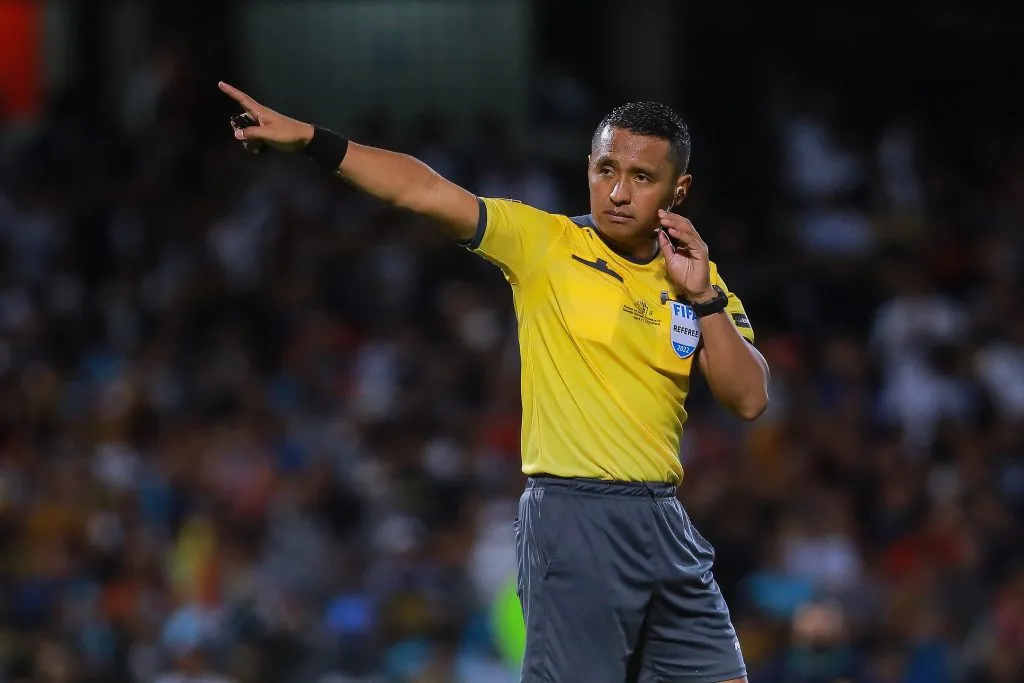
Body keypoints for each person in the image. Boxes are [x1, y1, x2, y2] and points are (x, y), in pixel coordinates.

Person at [219, 81, 769, 683]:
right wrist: (311, 141)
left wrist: (705, 298)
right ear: (588, 167)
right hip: (575, 514)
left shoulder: (698, 280)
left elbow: (748, 398)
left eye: (641, 177)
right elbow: (423, 189)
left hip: (664, 518)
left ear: (678, 190)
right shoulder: (547, 244)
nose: (617, 191)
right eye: (606, 169)